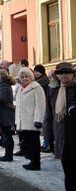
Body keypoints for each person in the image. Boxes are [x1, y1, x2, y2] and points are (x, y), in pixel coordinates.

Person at [44, 62, 76, 190]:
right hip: (61, 136)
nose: (64, 76)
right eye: (60, 73)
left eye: (67, 72)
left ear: (73, 74)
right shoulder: (53, 90)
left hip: (74, 135)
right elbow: (49, 114)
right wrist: (48, 135)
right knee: (68, 172)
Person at [14, 67, 46, 171]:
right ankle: (32, 160)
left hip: (32, 121)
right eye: (22, 77)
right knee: (27, 143)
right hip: (22, 121)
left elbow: (40, 105)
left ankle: (36, 163)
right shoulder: (19, 88)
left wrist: (38, 120)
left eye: (27, 76)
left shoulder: (37, 87)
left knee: (34, 144)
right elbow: (17, 105)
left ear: (31, 77)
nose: (24, 78)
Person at [0, 69, 16, 162]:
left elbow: (2, 100)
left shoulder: (3, 86)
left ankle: (8, 156)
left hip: (5, 113)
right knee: (7, 135)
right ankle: (8, 155)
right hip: (5, 112)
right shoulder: (5, 85)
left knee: (7, 135)